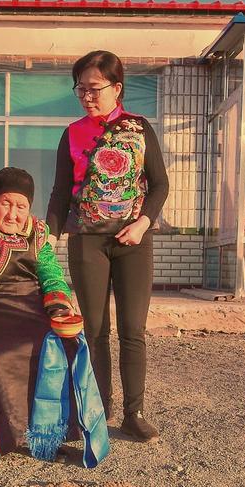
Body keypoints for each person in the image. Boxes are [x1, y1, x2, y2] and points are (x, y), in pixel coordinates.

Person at [46, 51, 169, 442]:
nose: (87, 96)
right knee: (96, 331)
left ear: (117, 88)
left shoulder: (139, 128)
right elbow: (60, 191)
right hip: (87, 242)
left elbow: (160, 184)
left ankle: (134, 413)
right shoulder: (72, 133)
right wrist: (49, 237)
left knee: (132, 330)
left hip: (133, 242)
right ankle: (96, 410)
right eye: (80, 88)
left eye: (94, 88)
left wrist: (143, 224)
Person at [0, 167, 76, 459]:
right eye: (5, 203)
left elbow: (49, 270)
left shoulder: (39, 231)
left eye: (21, 206)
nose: (13, 214)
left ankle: (46, 433)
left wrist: (59, 302)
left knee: (57, 347)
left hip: (30, 301)